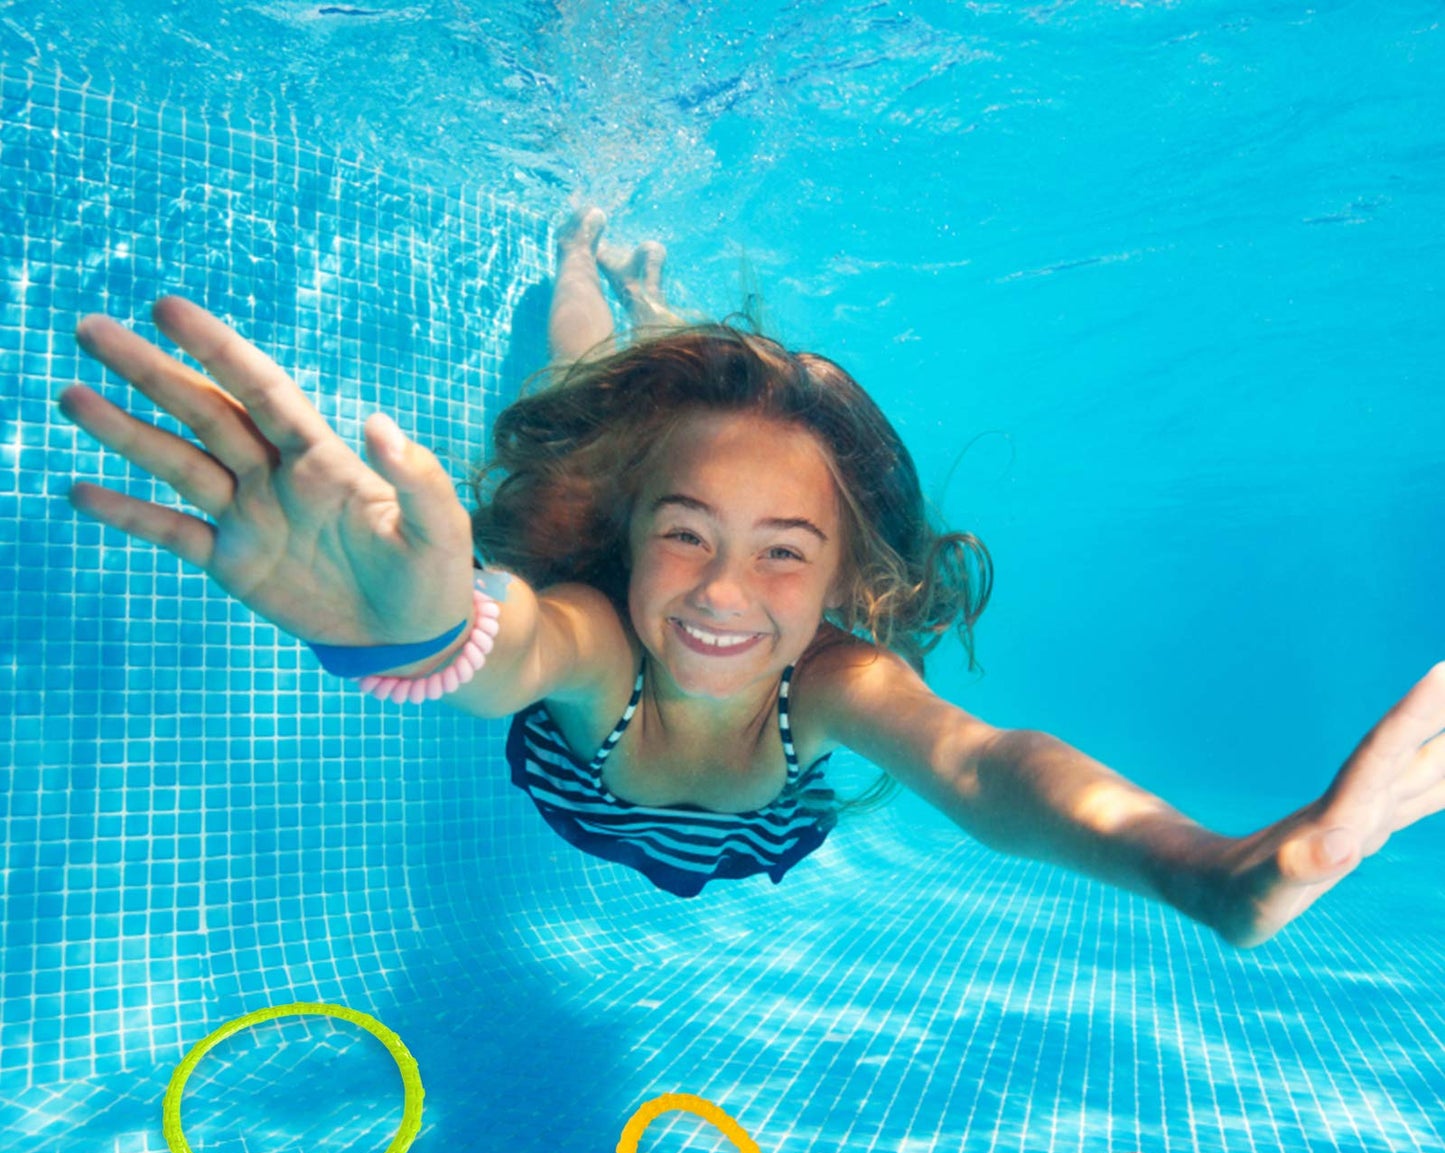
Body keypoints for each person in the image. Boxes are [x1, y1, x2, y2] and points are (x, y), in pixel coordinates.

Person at [56, 208, 1445, 940]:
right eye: (685, 533)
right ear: (632, 527)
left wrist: (1208, 868)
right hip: (602, 793)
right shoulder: (604, 639)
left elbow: (982, 764)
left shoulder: (835, 680)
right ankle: (581, 254)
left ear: (849, 577)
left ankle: (656, 297)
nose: (722, 592)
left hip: (728, 841)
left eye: (784, 553)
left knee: (648, 379)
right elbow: (518, 641)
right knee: (582, 376)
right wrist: (417, 626)